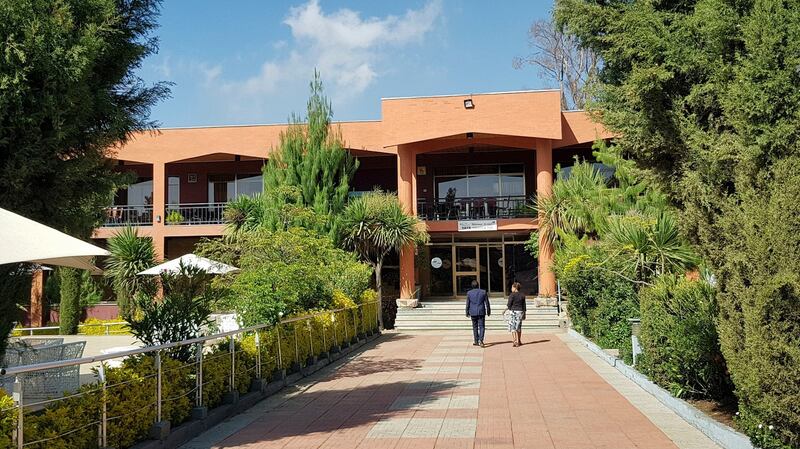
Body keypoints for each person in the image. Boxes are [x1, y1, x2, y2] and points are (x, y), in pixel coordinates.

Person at [465, 280, 490, 347]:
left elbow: (467, 304)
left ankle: (476, 341)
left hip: (473, 312)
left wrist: (467, 312)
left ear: (472, 286)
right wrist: (488, 311)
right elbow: (487, 303)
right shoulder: (483, 292)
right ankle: (481, 340)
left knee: (475, 327)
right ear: (478, 285)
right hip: (481, 311)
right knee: (482, 326)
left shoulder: (469, 293)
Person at [504, 282, 526, 347]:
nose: (511, 289)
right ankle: (519, 340)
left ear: (515, 288)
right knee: (519, 327)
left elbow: (509, 304)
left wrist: (505, 310)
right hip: (520, 312)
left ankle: (514, 340)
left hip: (513, 312)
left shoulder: (512, 295)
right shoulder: (522, 295)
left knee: (513, 326)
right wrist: (524, 314)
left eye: (512, 287)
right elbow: (524, 305)